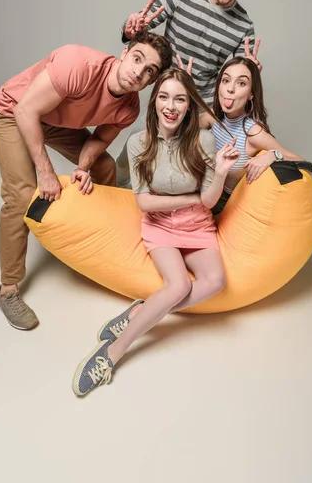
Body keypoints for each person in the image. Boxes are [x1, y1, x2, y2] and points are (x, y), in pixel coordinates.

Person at [72, 67, 240, 397]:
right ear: (154, 103)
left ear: (189, 105)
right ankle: (112, 352)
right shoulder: (138, 143)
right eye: (164, 97)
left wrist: (220, 173)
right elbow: (145, 203)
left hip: (196, 226)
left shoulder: (204, 140)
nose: (171, 106)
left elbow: (209, 200)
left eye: (180, 99)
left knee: (216, 281)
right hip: (160, 227)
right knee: (176, 285)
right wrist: (190, 200)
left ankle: (138, 312)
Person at [0, 31, 172, 331]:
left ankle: (101, 245)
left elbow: (100, 139)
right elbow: (26, 110)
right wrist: (46, 172)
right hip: (15, 111)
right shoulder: (79, 64)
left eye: (148, 72)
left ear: (151, 82)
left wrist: (84, 168)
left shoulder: (129, 108)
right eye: (137, 59)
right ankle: (8, 288)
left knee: (104, 166)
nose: (138, 72)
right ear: (124, 54)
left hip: (53, 121)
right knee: (21, 196)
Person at [116, 0, 262, 187]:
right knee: (134, 155)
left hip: (202, 113)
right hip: (168, 97)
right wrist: (131, 29)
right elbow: (141, 28)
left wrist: (249, 73)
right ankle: (111, 201)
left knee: (185, 176)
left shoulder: (244, 27)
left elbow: (236, 86)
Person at [199, 57, 304, 213]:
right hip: (201, 191)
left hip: (223, 207)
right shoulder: (213, 117)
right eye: (226, 80)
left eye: (241, 83)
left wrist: (273, 155)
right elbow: (180, 131)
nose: (230, 89)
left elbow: (302, 162)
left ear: (251, 94)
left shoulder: (253, 133)